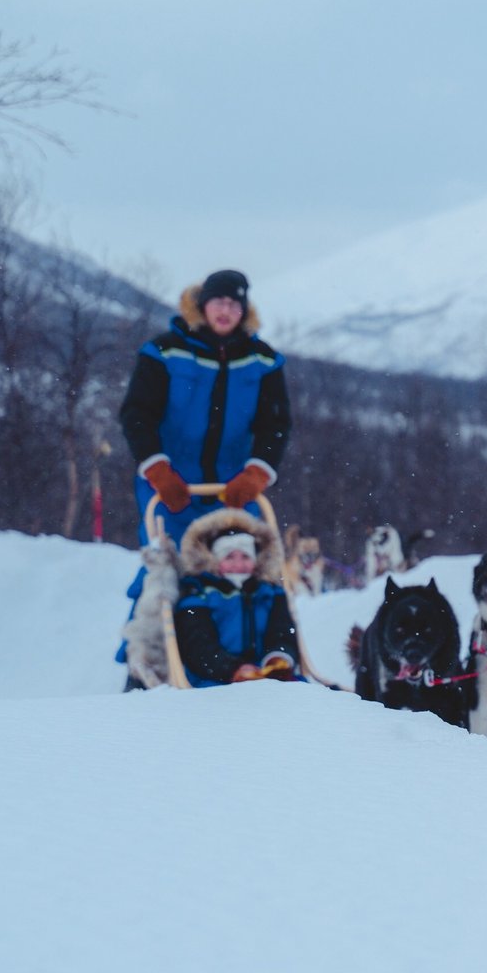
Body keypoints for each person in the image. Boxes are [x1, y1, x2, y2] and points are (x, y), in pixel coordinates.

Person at [116, 269, 291, 679]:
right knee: (166, 573)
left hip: (234, 489)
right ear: (201, 304)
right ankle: (146, 668)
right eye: (219, 302)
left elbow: (276, 424)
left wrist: (257, 472)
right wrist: (157, 469)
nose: (226, 310)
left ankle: (243, 661)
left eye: (235, 304)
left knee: (242, 570)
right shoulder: (164, 351)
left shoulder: (263, 359)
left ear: (244, 310)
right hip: (170, 486)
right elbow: (136, 415)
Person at [173, 509, 301, 687]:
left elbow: (282, 631)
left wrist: (278, 657)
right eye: (230, 557)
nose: (238, 564)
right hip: (214, 680)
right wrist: (233, 668)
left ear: (256, 560)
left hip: (267, 675)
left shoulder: (270, 593)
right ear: (214, 560)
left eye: (245, 556)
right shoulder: (198, 594)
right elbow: (198, 646)